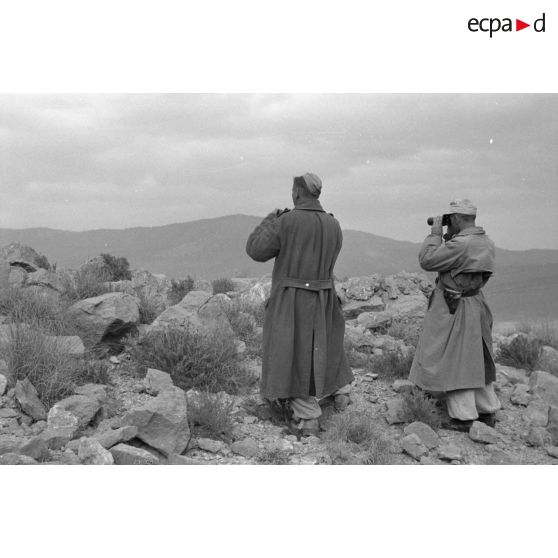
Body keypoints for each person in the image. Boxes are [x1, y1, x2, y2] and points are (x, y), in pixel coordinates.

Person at [246, 173, 354, 437]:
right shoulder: (334, 224)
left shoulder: (286, 222)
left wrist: (271, 218)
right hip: (324, 298)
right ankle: (338, 393)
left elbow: (255, 250)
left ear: (296, 194)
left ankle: (306, 417)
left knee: (289, 354)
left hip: (292, 301)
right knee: (320, 350)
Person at [409, 199, 501, 432]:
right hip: (475, 303)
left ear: (457, 218)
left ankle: (463, 416)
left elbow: (427, 260)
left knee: (456, 359)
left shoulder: (461, 244)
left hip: (454, 305)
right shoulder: (485, 242)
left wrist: (436, 232)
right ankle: (487, 409)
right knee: (476, 358)